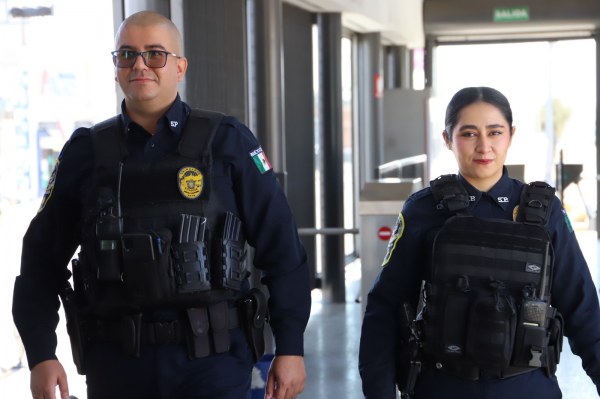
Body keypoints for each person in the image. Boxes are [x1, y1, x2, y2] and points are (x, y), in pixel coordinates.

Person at [12, 10, 310, 399]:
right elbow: (40, 260)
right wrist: (40, 354)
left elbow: (282, 248)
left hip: (212, 362)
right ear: (116, 66)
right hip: (117, 364)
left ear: (180, 67)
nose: (139, 64)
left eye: (155, 54)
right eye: (126, 54)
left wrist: (290, 346)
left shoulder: (228, 142)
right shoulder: (85, 153)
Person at [358, 86, 600, 398]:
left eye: (495, 132)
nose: (484, 146)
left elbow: (582, 308)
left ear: (510, 135)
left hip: (526, 387)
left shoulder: (545, 212)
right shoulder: (423, 210)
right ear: (447, 139)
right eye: (469, 134)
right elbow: (385, 308)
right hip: (443, 386)